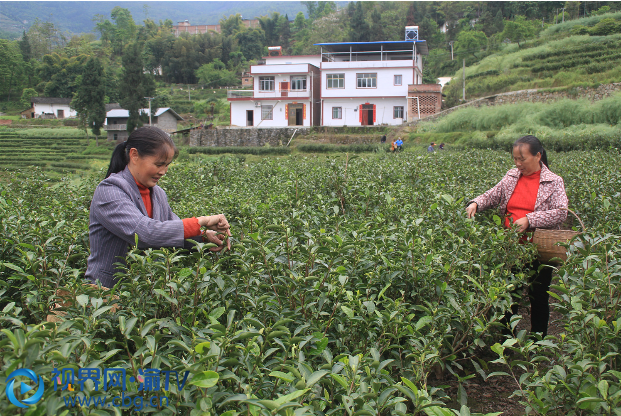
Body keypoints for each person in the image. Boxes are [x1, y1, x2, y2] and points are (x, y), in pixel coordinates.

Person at [85, 126, 231, 289]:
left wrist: (205, 237)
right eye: (158, 164)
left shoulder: (158, 194)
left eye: (167, 165)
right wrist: (202, 221)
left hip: (144, 293)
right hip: (106, 292)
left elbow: (170, 231)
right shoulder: (110, 191)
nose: (163, 171)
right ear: (134, 155)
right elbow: (145, 233)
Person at [466, 135, 568, 338]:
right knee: (508, 295)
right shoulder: (512, 176)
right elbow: (493, 195)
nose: (518, 163)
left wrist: (530, 220)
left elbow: (561, 211)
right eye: (515, 159)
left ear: (538, 156)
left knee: (538, 296)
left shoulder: (553, 181)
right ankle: (506, 339)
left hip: (538, 249)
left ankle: (538, 342)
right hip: (511, 248)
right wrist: (476, 202)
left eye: (522, 159)